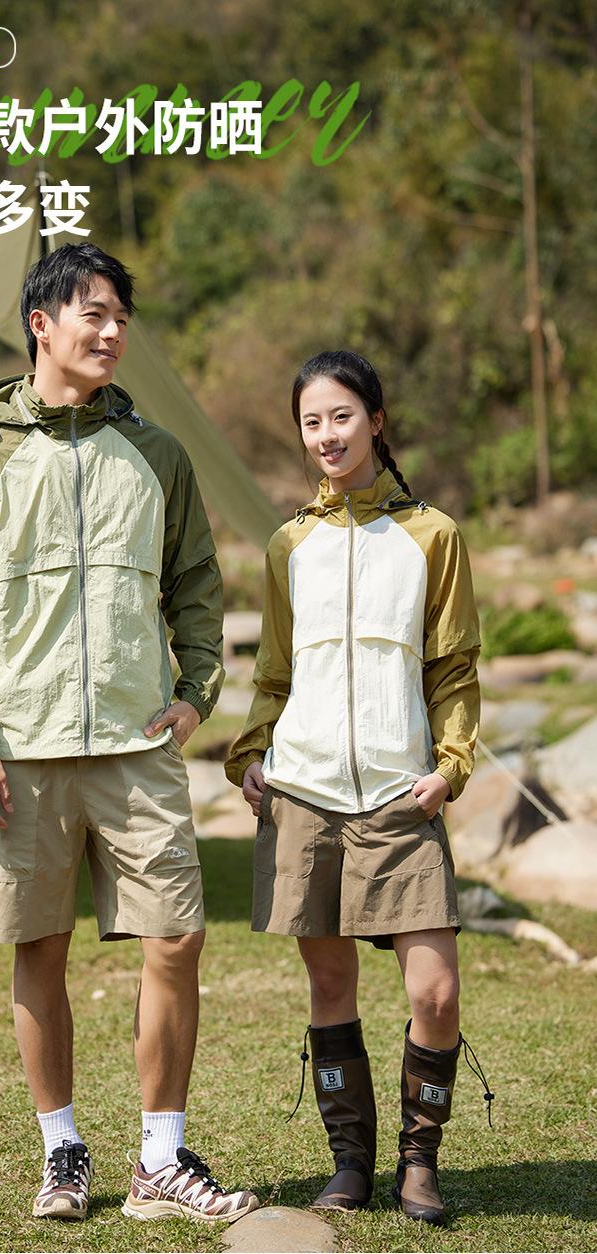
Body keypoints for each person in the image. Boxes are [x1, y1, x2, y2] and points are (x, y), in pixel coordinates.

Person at [0, 242, 258, 1225]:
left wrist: (195, 691)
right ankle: (61, 1149)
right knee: (39, 949)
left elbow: (195, 583)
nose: (111, 333)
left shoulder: (158, 455)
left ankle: (162, 1157)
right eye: (93, 314)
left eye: (120, 319)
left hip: (137, 746)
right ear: (42, 323)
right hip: (19, 749)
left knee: (177, 938)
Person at [225, 350, 492, 1226]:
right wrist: (252, 753)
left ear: (376, 420)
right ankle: (349, 1161)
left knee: (435, 991)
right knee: (330, 984)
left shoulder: (432, 535)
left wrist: (449, 767)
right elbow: (275, 672)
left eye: (341, 416)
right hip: (304, 793)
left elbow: (453, 669)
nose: (327, 435)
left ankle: (421, 1160)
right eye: (312, 421)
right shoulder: (289, 544)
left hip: (400, 794)